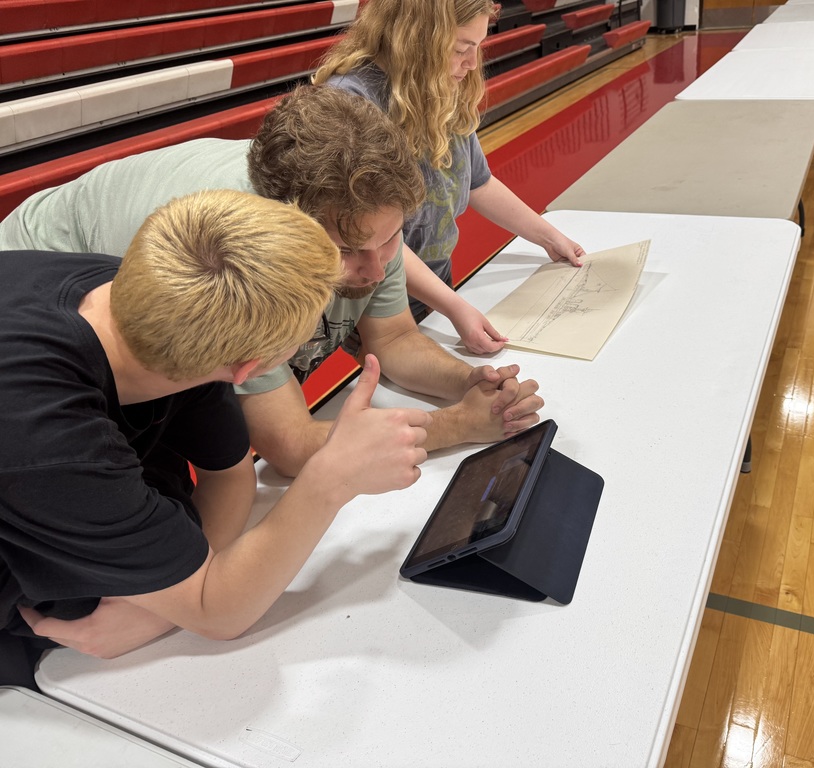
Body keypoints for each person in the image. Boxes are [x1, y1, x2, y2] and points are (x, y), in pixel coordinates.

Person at [0, 189, 431, 689]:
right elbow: (222, 615)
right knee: (80, 623)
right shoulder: (46, 433)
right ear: (251, 369)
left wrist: (167, 603)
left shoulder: (154, 304)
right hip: (25, 598)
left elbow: (229, 474)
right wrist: (330, 480)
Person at [0, 84, 544, 479]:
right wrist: (455, 426)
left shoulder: (364, 215)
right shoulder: (248, 254)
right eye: (351, 251)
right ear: (291, 228)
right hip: (37, 284)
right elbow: (287, 444)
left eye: (390, 242)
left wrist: (470, 387)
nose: (379, 269)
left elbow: (395, 341)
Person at [312, 0, 586, 354]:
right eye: (460, 49)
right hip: (381, 291)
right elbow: (371, 242)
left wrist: (548, 236)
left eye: (478, 47)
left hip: (437, 283)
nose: (472, 64)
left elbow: (477, 181)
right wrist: (453, 306)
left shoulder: (440, 82)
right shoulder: (351, 99)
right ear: (418, 40)